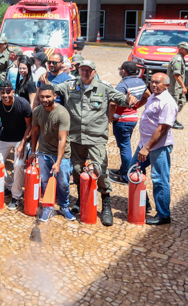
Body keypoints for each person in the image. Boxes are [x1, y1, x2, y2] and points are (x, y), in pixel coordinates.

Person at [53, 60, 131, 226]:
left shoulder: (104, 86)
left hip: (95, 137)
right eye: (82, 70)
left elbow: (122, 100)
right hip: (75, 137)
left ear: (94, 72)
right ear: (78, 71)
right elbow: (52, 90)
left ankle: (106, 205)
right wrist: (46, 81)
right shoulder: (70, 85)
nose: (85, 73)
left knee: (100, 170)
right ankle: (82, 200)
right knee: (77, 169)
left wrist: (129, 99)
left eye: (89, 70)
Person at [133, 73, 177, 225]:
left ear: (167, 85)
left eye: (157, 83)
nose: (153, 85)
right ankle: (143, 202)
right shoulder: (153, 96)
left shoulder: (167, 103)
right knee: (133, 170)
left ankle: (163, 215)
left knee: (159, 179)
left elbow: (162, 128)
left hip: (158, 146)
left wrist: (147, 148)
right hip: (145, 143)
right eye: (152, 82)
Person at [30, 84, 73, 221]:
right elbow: (35, 132)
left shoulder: (62, 113)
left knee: (63, 183)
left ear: (54, 96)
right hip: (44, 151)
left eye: (48, 96)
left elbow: (62, 139)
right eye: (42, 96)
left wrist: (59, 162)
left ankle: (64, 207)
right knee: (45, 181)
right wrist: (32, 151)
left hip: (62, 153)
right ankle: (48, 207)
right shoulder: (37, 111)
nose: (45, 99)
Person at [0, 82, 33, 210]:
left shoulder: (23, 104)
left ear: (13, 92)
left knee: (18, 165)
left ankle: (16, 196)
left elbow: (30, 126)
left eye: (8, 92)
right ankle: (11, 186)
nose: (5, 95)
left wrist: (22, 144)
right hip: (5, 137)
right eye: (2, 92)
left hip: (21, 138)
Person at [109, 61, 147, 183]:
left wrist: (111, 116)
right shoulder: (140, 82)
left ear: (124, 71)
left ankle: (126, 175)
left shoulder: (123, 85)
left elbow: (113, 103)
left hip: (122, 120)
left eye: (121, 69)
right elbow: (147, 96)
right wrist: (136, 107)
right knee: (125, 145)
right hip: (133, 118)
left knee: (125, 147)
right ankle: (123, 169)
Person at [166, 41, 188, 130]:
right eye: (186, 49)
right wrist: (183, 86)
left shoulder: (181, 58)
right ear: (180, 49)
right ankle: (171, 121)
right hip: (174, 87)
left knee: (181, 102)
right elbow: (177, 74)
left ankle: (173, 119)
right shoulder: (177, 59)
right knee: (174, 104)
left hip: (177, 87)